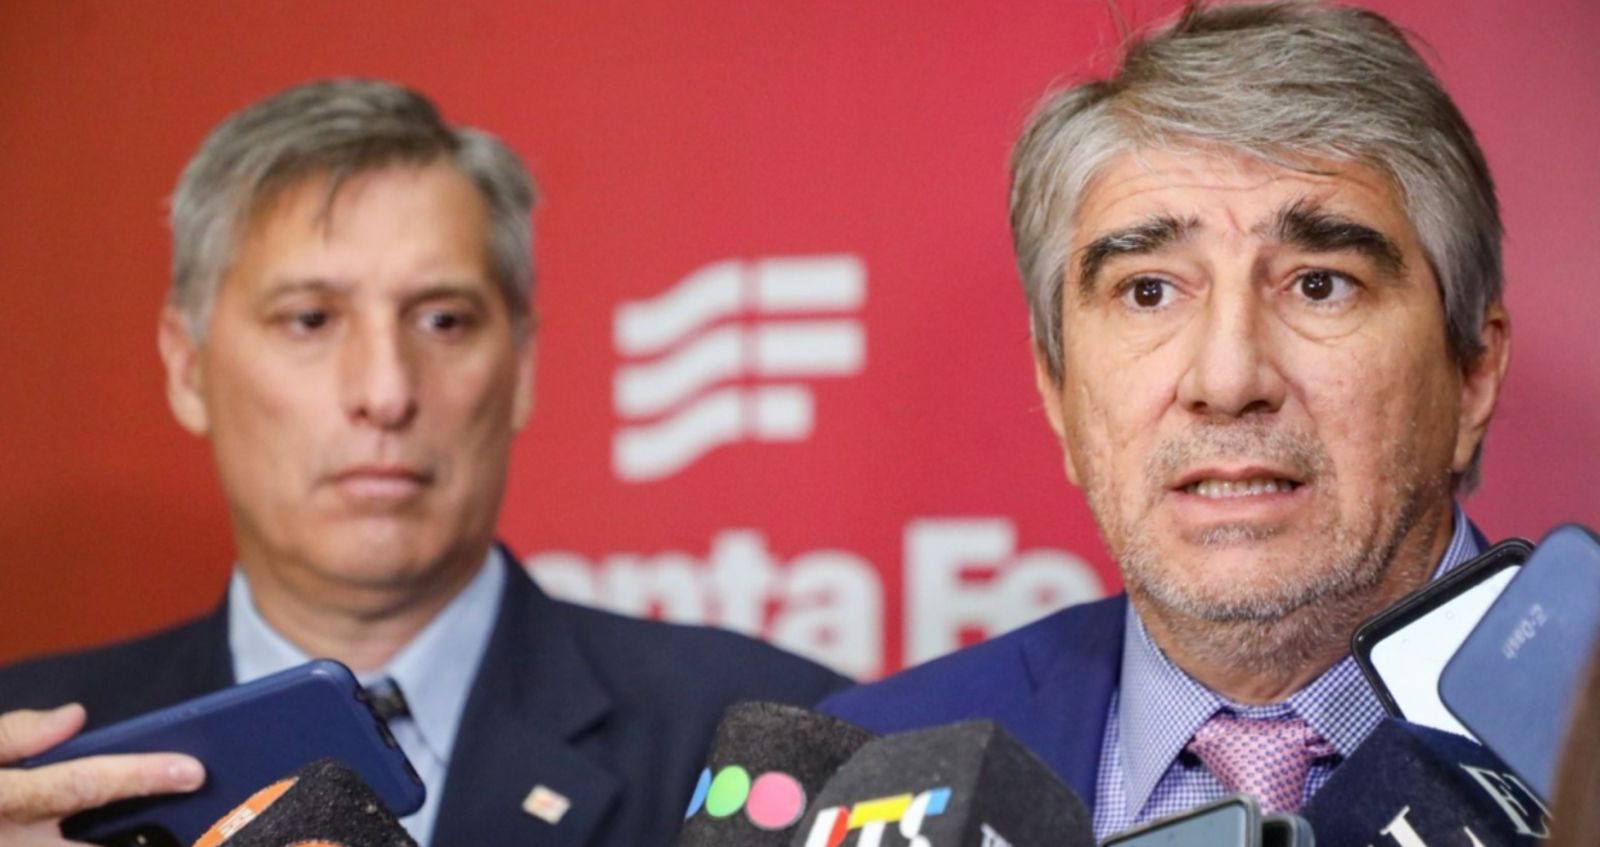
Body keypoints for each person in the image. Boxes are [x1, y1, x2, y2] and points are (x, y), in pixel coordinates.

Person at [0, 79, 850, 847]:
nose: (386, 390)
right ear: (188, 369)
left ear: (521, 369)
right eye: (310, 319)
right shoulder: (26, 771)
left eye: (443, 320)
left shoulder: (777, 743)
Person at [820, 1, 1512, 839]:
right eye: (1148, 291)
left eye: (1319, 284)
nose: (1228, 380)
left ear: (1472, 373)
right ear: (1057, 389)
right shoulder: (865, 776)